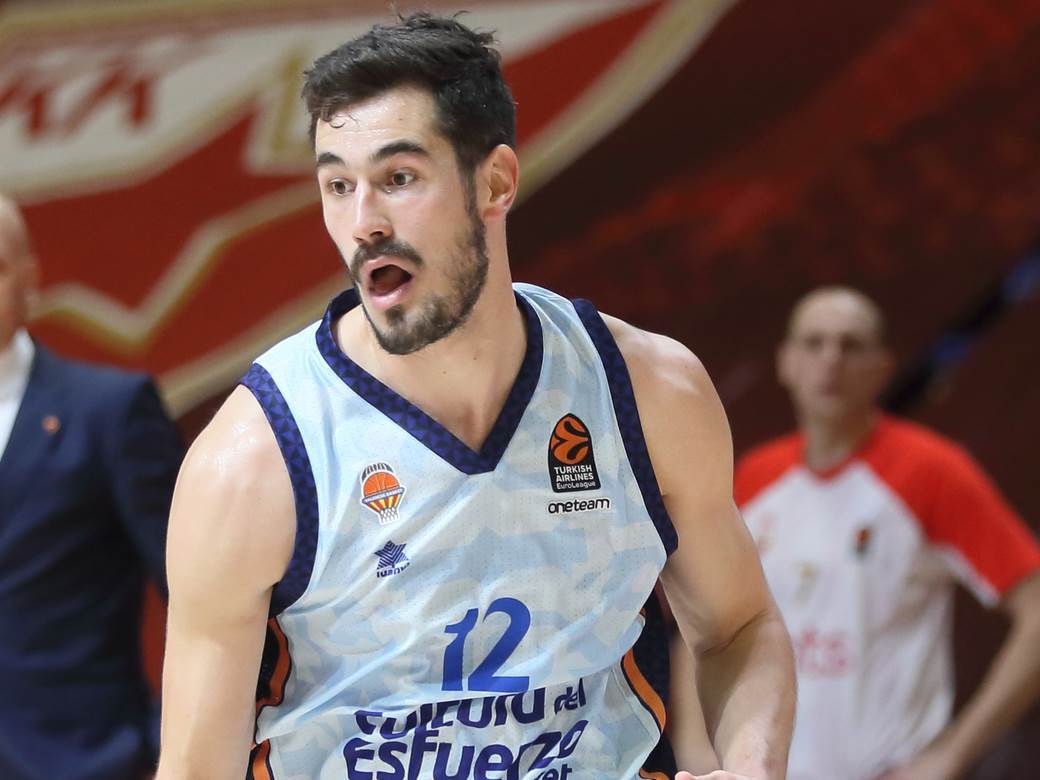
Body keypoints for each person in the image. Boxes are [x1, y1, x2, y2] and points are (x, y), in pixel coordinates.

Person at [155, 12, 795, 780]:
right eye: (338, 186)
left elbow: (738, 627)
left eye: (398, 179)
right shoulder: (252, 462)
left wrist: (752, 765)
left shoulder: (646, 392)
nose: (363, 223)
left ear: (494, 182)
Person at [734, 286, 1040, 780]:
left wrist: (952, 753)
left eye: (851, 345)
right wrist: (699, 746)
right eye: (814, 343)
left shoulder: (932, 472)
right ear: (786, 362)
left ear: (882, 367)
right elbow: (709, 621)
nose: (831, 360)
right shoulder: (754, 477)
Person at [0, 192, 184, 779]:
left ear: (29, 277)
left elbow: (203, 595)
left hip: (84, 761)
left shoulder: (108, 411)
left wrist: (168, 747)